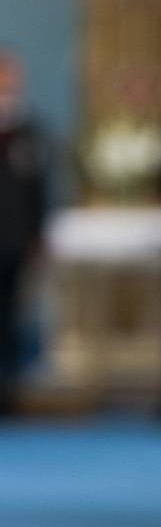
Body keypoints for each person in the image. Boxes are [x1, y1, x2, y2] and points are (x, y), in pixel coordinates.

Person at [0, 49, 47, 415]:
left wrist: (37, 234)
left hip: (14, 237)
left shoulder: (30, 129)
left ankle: (9, 389)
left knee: (12, 314)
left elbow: (39, 187)